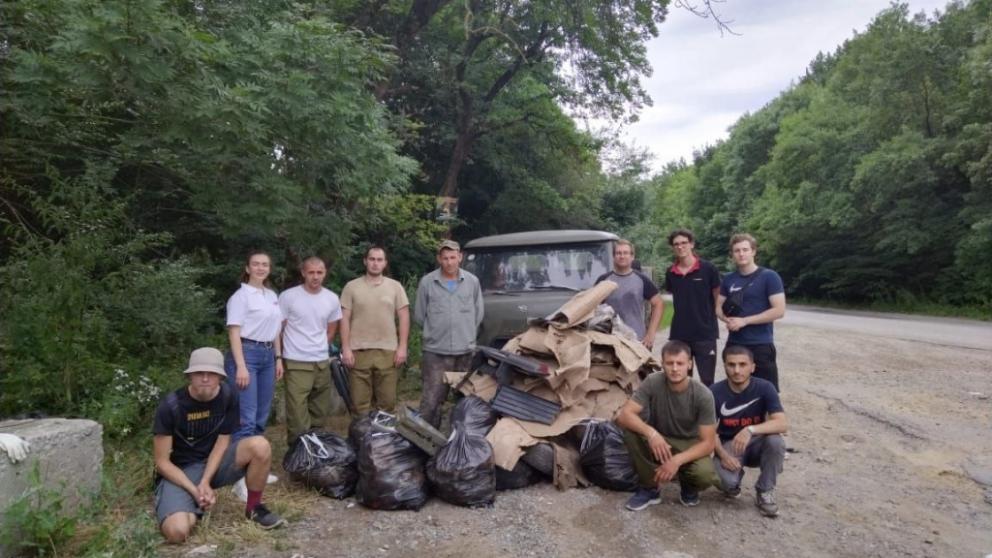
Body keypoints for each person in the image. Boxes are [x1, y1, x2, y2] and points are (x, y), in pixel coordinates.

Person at [153, 348, 285, 543]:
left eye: (212, 374)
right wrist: (194, 489)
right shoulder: (171, 406)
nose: (205, 379)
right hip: (181, 470)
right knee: (177, 532)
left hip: (215, 464)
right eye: (199, 373)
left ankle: (255, 508)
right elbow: (162, 463)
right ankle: (193, 506)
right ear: (190, 376)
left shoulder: (228, 396)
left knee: (260, 445)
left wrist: (205, 481)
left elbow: (223, 441)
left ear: (220, 377)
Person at [616, 340, 719, 511]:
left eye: (680, 363)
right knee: (631, 431)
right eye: (670, 363)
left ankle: (688, 485)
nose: (675, 368)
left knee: (705, 475)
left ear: (690, 364)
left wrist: (676, 461)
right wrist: (652, 434)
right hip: (661, 439)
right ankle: (650, 488)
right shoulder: (653, 381)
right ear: (662, 364)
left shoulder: (703, 394)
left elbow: (708, 443)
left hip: (689, 443)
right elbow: (623, 415)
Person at [710, 345, 787, 517]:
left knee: (776, 441)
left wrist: (750, 429)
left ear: (753, 367)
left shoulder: (765, 387)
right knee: (723, 482)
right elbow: (710, 432)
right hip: (729, 447)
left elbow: (782, 423)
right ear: (724, 366)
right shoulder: (714, 392)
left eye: (743, 364)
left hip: (757, 443)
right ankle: (733, 481)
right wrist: (723, 455)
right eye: (731, 364)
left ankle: (765, 490)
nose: (737, 370)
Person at [413, 239, 484, 428]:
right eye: (445, 258)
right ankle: (425, 441)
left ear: (460, 257)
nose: (449, 262)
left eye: (453, 257)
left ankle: (462, 440)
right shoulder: (427, 282)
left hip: (465, 352)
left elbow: (478, 314)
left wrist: (465, 333)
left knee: (466, 399)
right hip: (436, 353)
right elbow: (420, 315)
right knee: (431, 399)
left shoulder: (472, 282)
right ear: (439, 259)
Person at [278, 256, 343, 444]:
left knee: (320, 410)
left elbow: (331, 330)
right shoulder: (288, 297)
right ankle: (298, 450)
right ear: (303, 273)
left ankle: (316, 450)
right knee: (297, 413)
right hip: (296, 360)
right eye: (311, 272)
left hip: (321, 360)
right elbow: (279, 329)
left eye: (319, 272)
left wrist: (320, 347)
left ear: (325, 274)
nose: (315, 276)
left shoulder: (331, 298)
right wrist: (280, 357)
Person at [340, 246, 410, 415]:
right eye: (372, 259)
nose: (375, 263)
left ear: (385, 263)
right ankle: (361, 438)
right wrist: (346, 348)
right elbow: (344, 319)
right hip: (358, 351)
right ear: (365, 261)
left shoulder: (395, 287)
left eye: (379, 260)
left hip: (388, 351)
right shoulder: (351, 287)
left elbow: (404, 317)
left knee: (387, 403)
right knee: (359, 405)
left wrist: (402, 347)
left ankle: (384, 439)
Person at [224, 251, 284, 441]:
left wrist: (278, 358)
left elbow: (275, 329)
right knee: (245, 418)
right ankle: (236, 467)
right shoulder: (241, 296)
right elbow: (234, 332)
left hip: (268, 357)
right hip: (246, 354)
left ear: (269, 268)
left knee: (261, 416)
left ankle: (255, 464)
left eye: (265, 264)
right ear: (248, 268)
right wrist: (241, 366)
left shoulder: (271, 295)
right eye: (256, 264)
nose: (260, 268)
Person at [716, 233, 786, 391]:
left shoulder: (770, 277)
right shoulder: (728, 279)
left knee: (766, 391)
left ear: (753, 251)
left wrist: (744, 321)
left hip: (760, 344)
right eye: (737, 250)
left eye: (745, 249)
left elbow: (779, 310)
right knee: (736, 390)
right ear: (732, 254)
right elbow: (718, 307)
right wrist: (727, 320)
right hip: (734, 343)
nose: (741, 254)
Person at [664, 228, 722, 386]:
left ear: (692, 244)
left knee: (707, 380)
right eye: (676, 244)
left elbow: (718, 297)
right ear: (672, 247)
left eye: (684, 243)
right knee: (680, 379)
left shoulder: (708, 269)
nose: (680, 246)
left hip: (705, 334)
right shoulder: (670, 272)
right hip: (680, 334)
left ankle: (707, 410)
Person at [595, 240, 663, 350]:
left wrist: (651, 333)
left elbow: (658, 303)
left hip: (637, 339)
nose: (622, 256)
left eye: (626, 253)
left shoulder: (641, 279)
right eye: (618, 253)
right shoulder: (603, 280)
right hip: (610, 339)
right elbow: (591, 306)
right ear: (613, 256)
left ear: (632, 256)